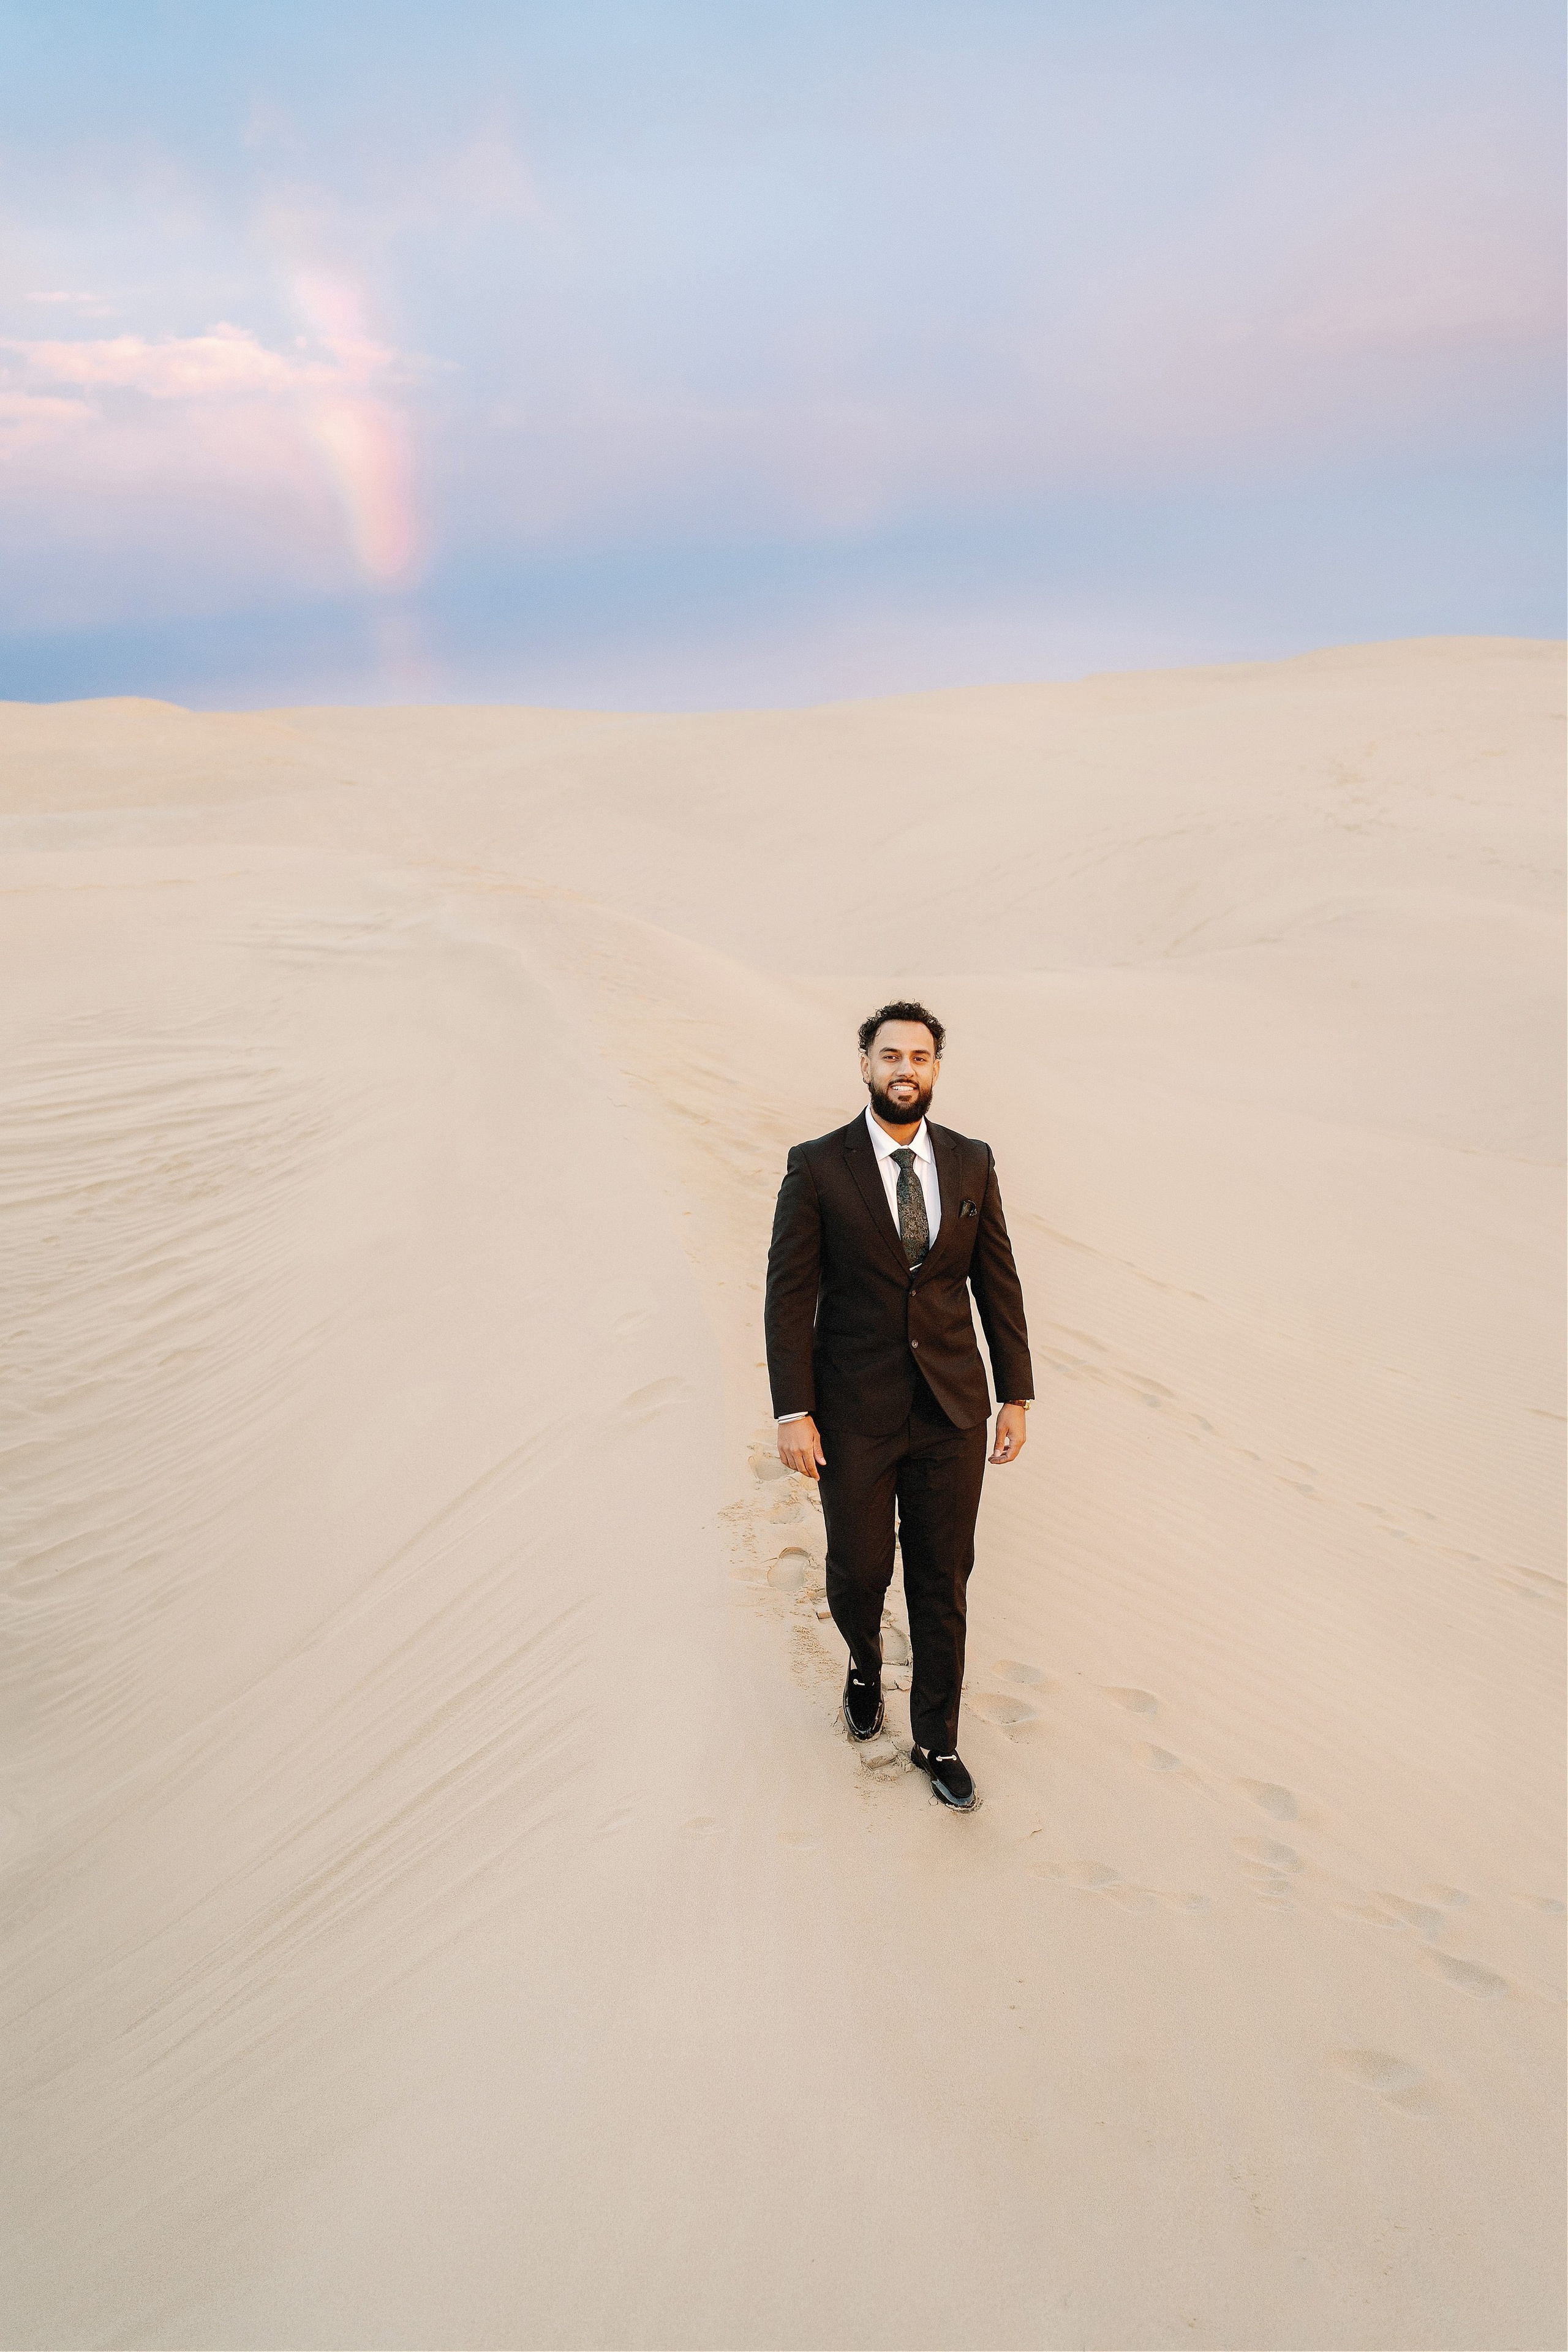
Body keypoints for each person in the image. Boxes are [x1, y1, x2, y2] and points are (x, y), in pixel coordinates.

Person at [764, 1001, 1033, 1810]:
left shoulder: (972, 1162)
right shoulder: (817, 1166)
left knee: (942, 1577)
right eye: (890, 1056)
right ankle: (861, 1661)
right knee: (860, 1569)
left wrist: (1015, 1392)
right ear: (865, 1065)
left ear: (936, 1068)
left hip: (952, 1409)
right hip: (852, 1410)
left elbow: (998, 1282)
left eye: (919, 1057)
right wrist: (793, 1411)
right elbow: (789, 1297)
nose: (904, 1070)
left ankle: (936, 1741)